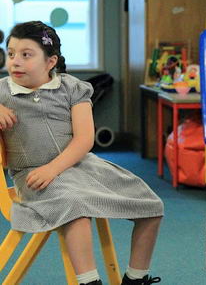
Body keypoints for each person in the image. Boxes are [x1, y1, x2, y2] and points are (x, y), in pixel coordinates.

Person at [0, 21, 164, 285]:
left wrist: (54, 167)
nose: (15, 62)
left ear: (50, 61)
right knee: (76, 205)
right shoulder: (2, 92)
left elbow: (85, 139)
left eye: (26, 55)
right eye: (11, 54)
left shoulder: (73, 88)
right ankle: (89, 282)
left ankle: (135, 278)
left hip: (82, 166)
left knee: (152, 205)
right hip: (33, 174)